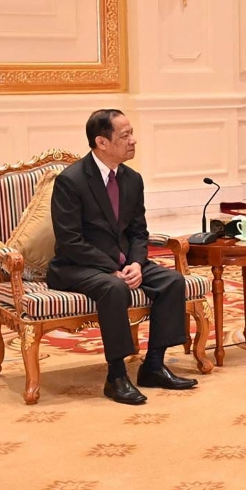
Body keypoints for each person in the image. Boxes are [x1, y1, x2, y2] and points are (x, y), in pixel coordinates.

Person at [48, 109, 198, 405]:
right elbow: (70, 240)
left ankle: (153, 365)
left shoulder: (132, 179)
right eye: (125, 135)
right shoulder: (71, 180)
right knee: (113, 287)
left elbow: (139, 232)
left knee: (172, 281)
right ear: (102, 142)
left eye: (132, 133)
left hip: (124, 263)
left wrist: (135, 263)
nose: (134, 140)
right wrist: (112, 269)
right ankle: (116, 376)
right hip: (77, 265)